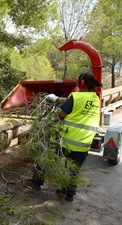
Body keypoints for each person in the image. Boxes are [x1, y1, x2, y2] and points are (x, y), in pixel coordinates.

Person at [24, 72, 102, 202]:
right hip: (84, 142)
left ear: (81, 84)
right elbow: (77, 103)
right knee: (74, 168)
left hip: (67, 140)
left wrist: (53, 114)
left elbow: (61, 113)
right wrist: (57, 99)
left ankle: (36, 183)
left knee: (47, 158)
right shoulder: (95, 99)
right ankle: (69, 193)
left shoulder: (76, 97)